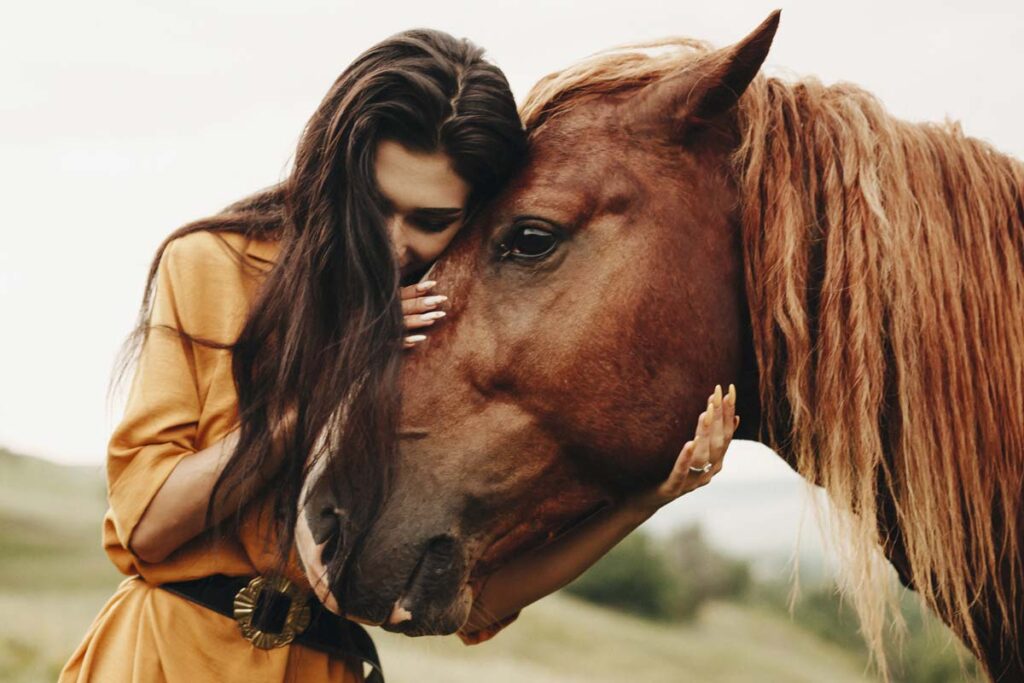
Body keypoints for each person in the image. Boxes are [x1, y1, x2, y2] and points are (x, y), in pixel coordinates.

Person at [59, 28, 739, 683]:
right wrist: (341, 373)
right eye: (374, 204)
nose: (391, 243)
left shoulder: (445, 320)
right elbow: (148, 528)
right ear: (334, 171)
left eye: (430, 221)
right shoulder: (215, 265)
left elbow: (478, 604)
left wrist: (648, 499)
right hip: (163, 658)